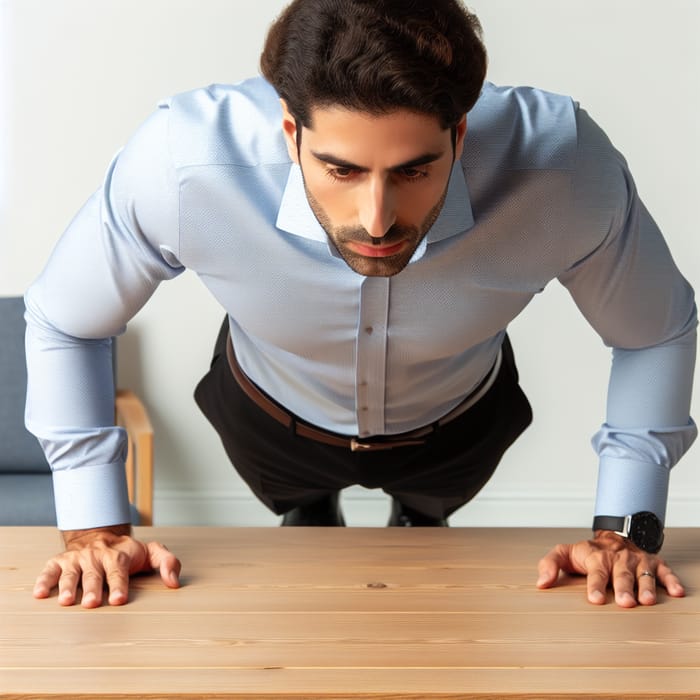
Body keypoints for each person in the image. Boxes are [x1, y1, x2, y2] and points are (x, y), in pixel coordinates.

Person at [26, 0, 696, 610]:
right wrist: (95, 527)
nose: (377, 222)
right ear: (291, 133)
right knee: (304, 536)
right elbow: (67, 319)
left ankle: (419, 511)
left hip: (460, 423)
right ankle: (308, 508)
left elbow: (654, 330)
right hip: (267, 416)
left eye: (412, 171)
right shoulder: (179, 164)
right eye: (342, 170)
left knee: (427, 544)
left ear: (460, 135)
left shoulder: (565, 168)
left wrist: (623, 529)